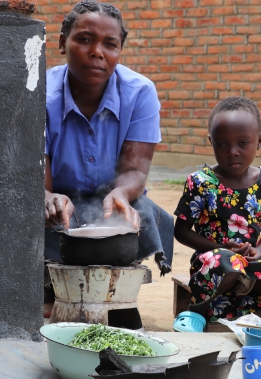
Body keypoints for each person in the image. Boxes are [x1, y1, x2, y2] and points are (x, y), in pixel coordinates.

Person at [43, 1, 174, 315]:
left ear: (120, 51)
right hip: (63, 204)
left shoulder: (140, 93)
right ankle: (49, 286)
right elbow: (38, 179)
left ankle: (112, 290)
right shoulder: (40, 95)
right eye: (85, 39)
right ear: (63, 43)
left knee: (138, 211)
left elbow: (134, 170)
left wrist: (121, 194)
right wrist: (48, 197)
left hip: (109, 200)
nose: (97, 51)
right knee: (40, 215)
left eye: (110, 44)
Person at [171, 96, 261, 334]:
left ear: (260, 141)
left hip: (252, 265)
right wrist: (219, 246)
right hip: (215, 267)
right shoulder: (200, 182)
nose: (232, 152)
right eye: (222, 144)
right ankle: (196, 313)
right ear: (211, 142)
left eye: (243, 143)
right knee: (224, 261)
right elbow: (181, 231)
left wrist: (259, 251)